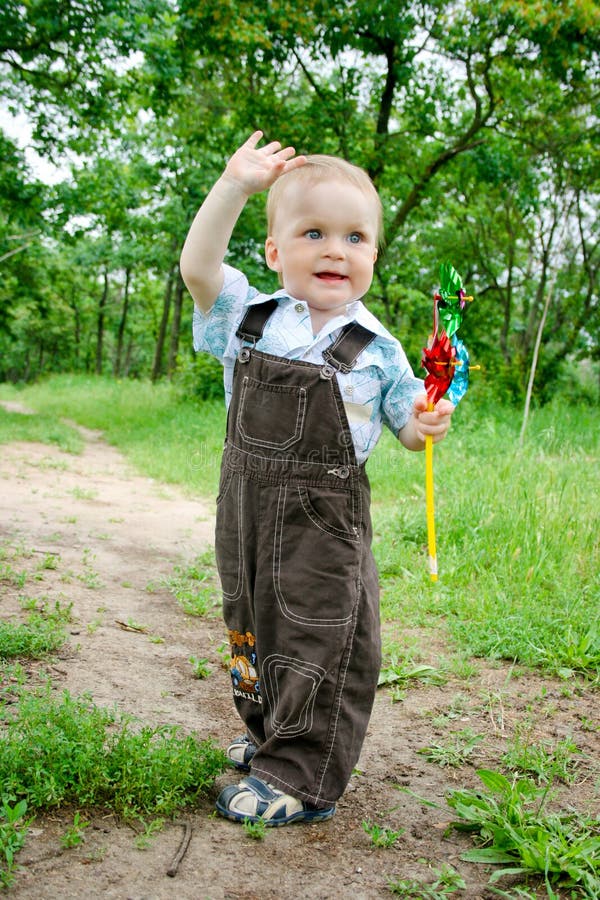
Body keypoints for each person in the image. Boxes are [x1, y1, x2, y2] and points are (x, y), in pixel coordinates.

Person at [180, 131, 454, 827]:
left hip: (323, 524)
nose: (337, 249)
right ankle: (272, 734)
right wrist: (236, 187)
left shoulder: (379, 350)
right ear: (275, 252)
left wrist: (426, 424)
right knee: (252, 623)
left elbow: (405, 428)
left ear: (372, 255)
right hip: (244, 504)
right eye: (313, 232)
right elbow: (198, 265)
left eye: (356, 237)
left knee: (320, 633)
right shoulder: (249, 316)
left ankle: (303, 772)